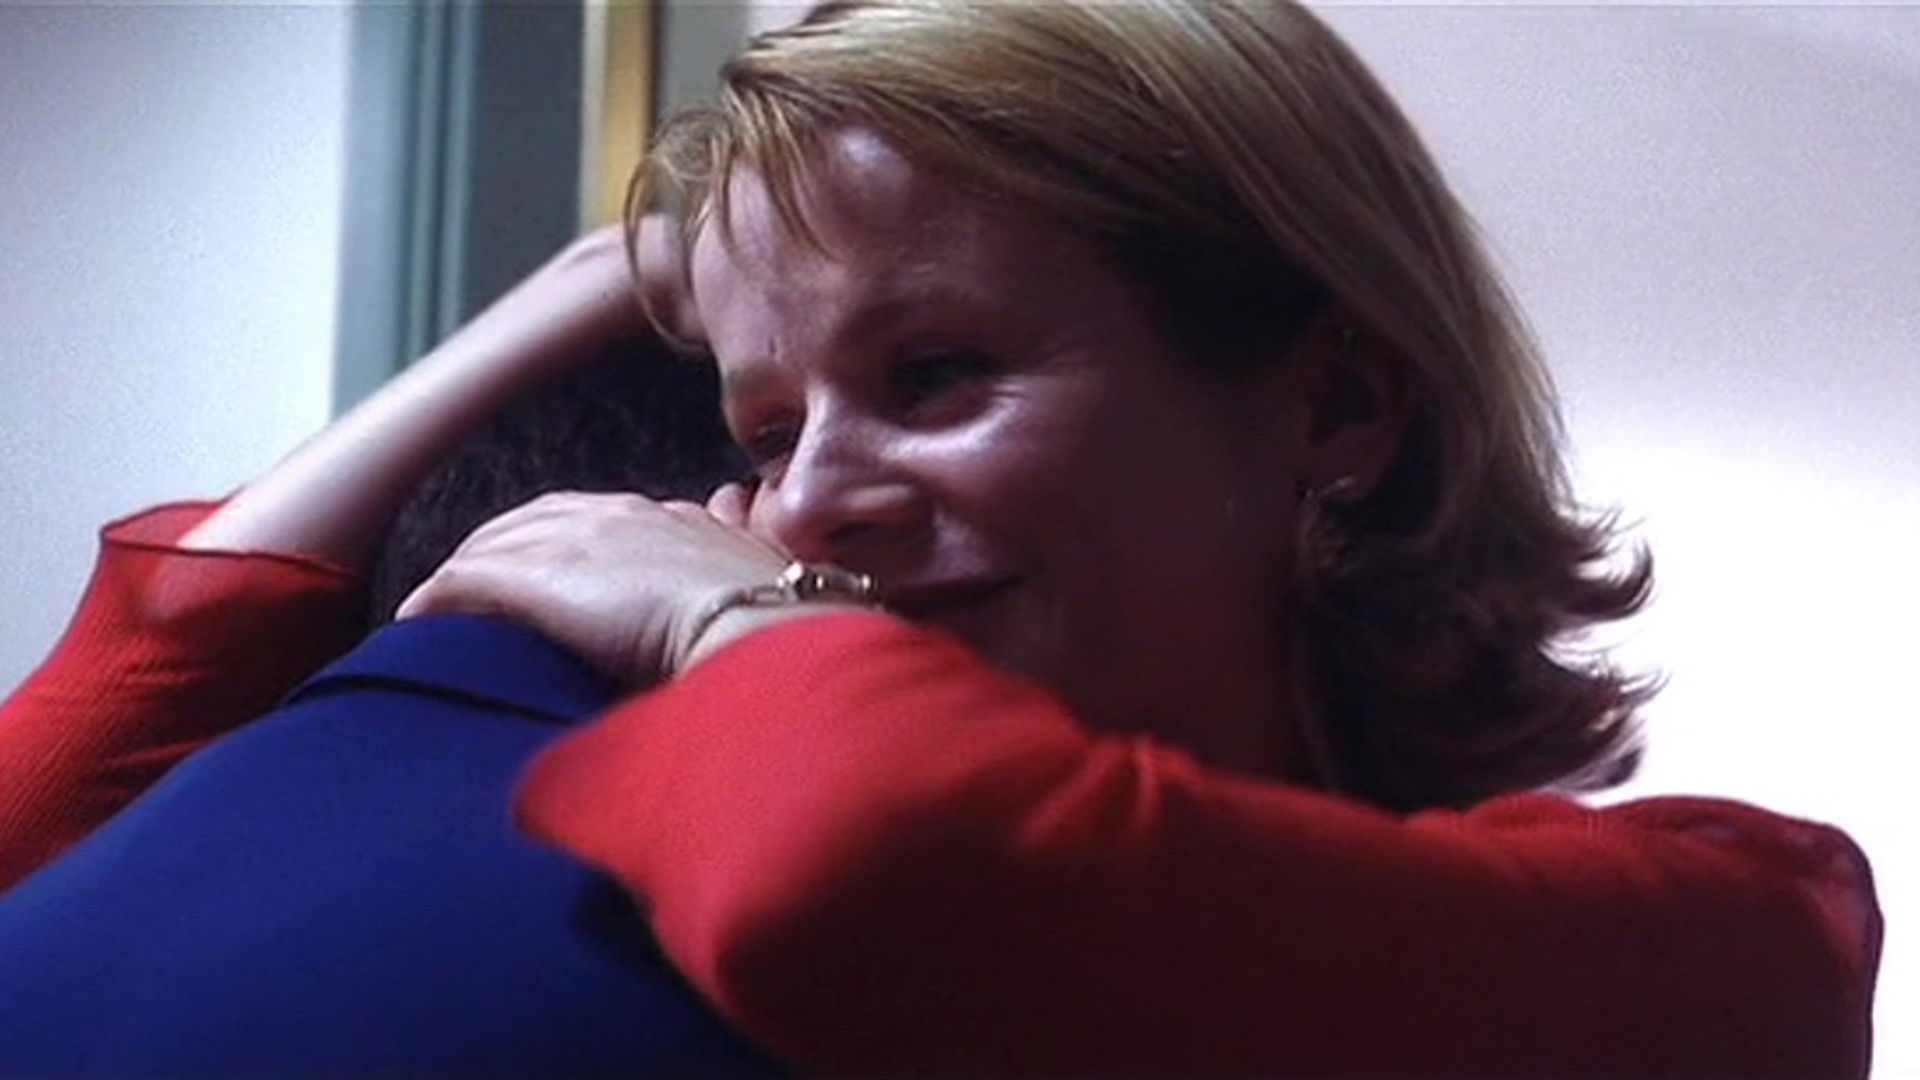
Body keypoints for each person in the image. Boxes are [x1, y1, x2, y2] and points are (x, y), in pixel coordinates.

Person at [0, 0, 1881, 1075]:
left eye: (938, 372)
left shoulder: (1736, 919)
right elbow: (54, 801)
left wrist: (723, 622)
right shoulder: (713, 752)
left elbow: (889, 872)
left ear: (1336, 406)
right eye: (766, 429)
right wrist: (572, 287)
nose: (817, 497)